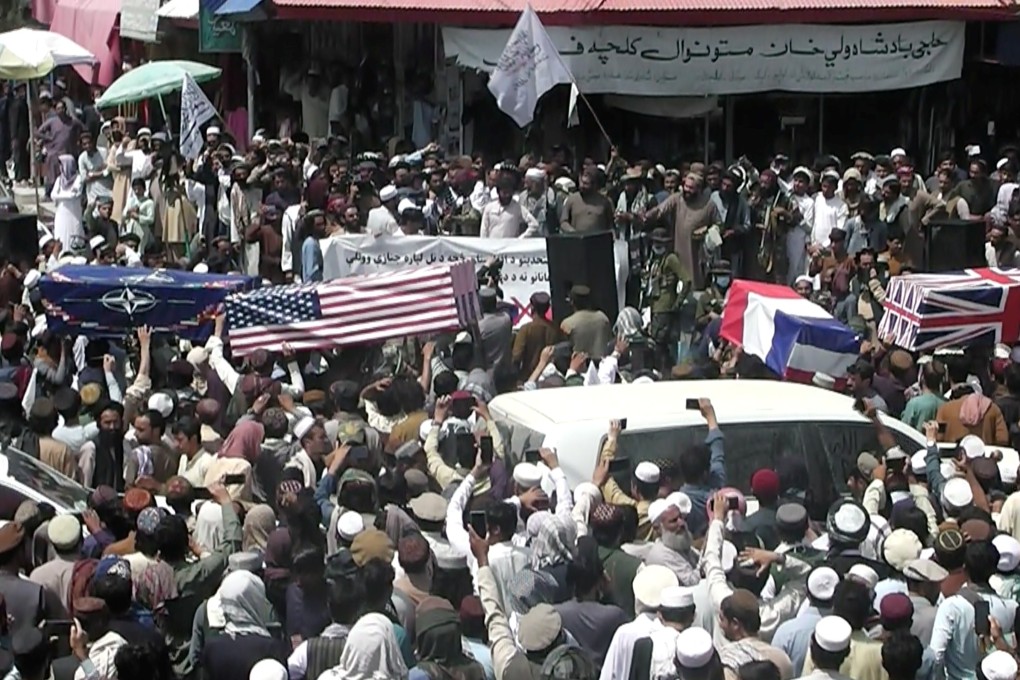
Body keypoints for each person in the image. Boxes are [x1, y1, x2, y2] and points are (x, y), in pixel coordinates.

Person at [641, 227, 688, 373]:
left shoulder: (671, 259)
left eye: (660, 243)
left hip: (666, 307)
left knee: (660, 344)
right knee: (656, 343)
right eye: (655, 242)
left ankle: (666, 371)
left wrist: (678, 302)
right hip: (654, 306)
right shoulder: (654, 260)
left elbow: (687, 280)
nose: (657, 246)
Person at [560, 285, 612, 360]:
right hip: (604, 367)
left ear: (572, 302)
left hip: (579, 367)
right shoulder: (603, 318)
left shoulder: (567, 324)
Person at [51, 154, 85, 253]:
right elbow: (53, 195)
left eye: (62, 165)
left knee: (74, 236)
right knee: (60, 236)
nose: (60, 168)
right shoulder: (59, 180)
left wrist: (60, 195)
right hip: (61, 214)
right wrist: (64, 196)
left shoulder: (78, 179)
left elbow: (74, 195)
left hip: (73, 214)